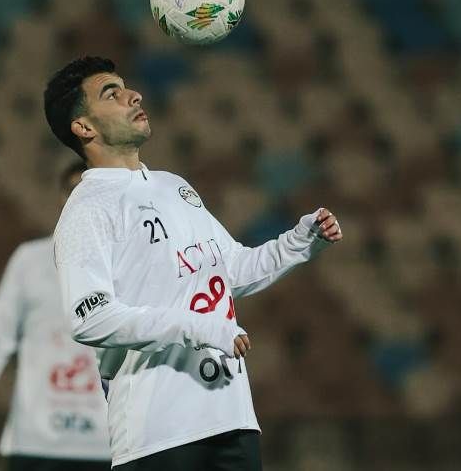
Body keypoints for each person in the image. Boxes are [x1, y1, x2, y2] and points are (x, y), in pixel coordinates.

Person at [43, 56, 343, 471]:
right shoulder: (88, 209)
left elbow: (229, 269)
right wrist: (198, 327)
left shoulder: (174, 187)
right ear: (83, 127)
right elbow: (89, 318)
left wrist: (299, 242)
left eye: (126, 87)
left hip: (232, 417)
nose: (134, 96)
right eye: (111, 94)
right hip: (160, 431)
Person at [0, 161, 111, 471]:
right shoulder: (30, 260)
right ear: (62, 198)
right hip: (37, 439)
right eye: (74, 190)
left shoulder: (130, 263)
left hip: (107, 442)